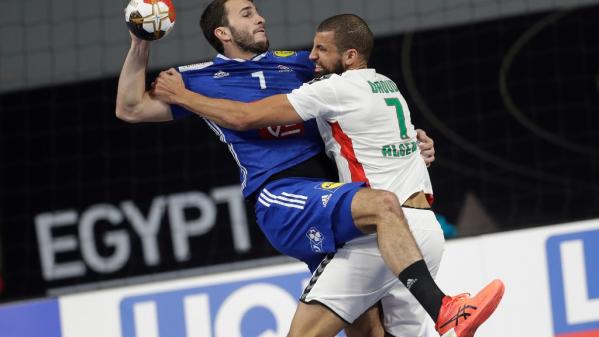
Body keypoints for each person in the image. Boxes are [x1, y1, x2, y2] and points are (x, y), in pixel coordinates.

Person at [148, 9, 505, 337]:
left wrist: (183, 96)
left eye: (321, 49)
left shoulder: (332, 89)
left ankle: (446, 308)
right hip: (425, 235)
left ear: (349, 56)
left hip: (383, 232)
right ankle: (446, 309)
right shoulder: (386, 86)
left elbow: (246, 117)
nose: (311, 57)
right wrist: (420, 143)